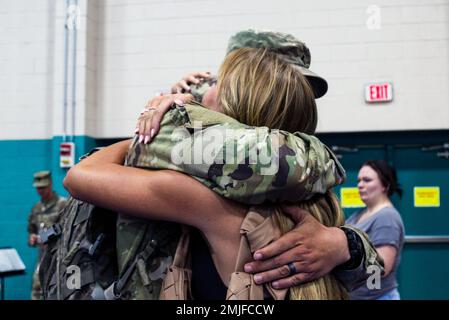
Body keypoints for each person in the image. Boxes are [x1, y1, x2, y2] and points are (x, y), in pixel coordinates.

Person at [64, 38, 381, 299]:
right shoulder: (315, 191)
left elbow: (79, 176)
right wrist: (347, 245)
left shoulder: (205, 200)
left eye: (220, 85)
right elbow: (376, 276)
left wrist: (156, 129)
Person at [346, 160, 405, 300]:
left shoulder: (386, 217)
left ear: (385, 185)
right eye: (359, 180)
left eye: (367, 180)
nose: (360, 185)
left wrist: (341, 257)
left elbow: (380, 267)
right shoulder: (359, 214)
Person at [27, 171, 67, 300]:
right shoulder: (36, 208)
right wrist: (32, 238)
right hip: (43, 257)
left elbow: (67, 231)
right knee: (37, 290)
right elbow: (32, 229)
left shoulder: (62, 204)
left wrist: (48, 237)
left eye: (43, 187)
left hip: (60, 257)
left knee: (59, 291)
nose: (40, 191)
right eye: (38, 188)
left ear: (50, 185)